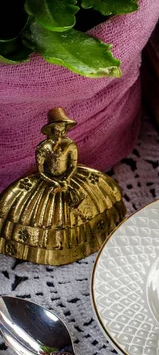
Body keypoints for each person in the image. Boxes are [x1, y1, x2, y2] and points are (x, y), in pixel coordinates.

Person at [0, 108, 126, 265]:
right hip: (48, 182)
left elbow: (72, 165)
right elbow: (41, 170)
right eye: (57, 128)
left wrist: (65, 180)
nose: (60, 132)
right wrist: (55, 182)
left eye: (62, 128)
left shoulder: (70, 145)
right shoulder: (44, 148)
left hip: (69, 180)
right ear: (51, 130)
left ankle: (80, 244)